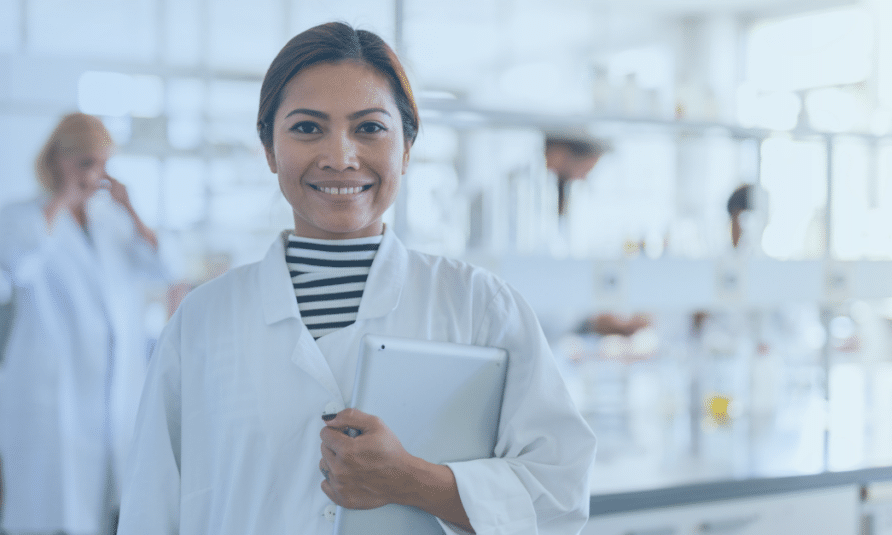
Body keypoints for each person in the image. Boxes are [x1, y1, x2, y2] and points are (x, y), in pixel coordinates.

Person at [117, 22, 596, 535]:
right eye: (306, 128)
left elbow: (560, 498)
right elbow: (150, 507)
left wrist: (414, 481)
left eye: (369, 128)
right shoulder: (203, 321)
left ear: (406, 148)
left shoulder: (479, 304)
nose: (340, 157)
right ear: (270, 150)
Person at [0, 113, 164, 535]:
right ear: (57, 160)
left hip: (109, 385)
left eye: (103, 164)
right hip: (51, 385)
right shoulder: (24, 216)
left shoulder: (112, 221)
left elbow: (164, 267)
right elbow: (19, 266)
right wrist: (61, 201)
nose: (95, 175)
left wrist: (132, 208)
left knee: (105, 500)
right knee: (47, 503)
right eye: (85, 163)